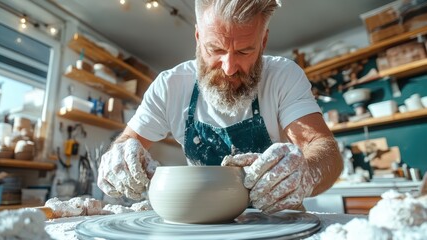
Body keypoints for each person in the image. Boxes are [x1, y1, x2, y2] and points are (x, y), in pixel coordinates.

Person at [97, 0, 343, 214]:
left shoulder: (283, 76)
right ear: (197, 37)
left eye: (245, 51)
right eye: (215, 49)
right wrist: (118, 159)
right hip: (202, 222)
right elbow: (128, 143)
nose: (229, 67)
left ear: (264, 41)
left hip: (278, 220)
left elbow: (324, 150)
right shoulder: (169, 86)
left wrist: (307, 172)